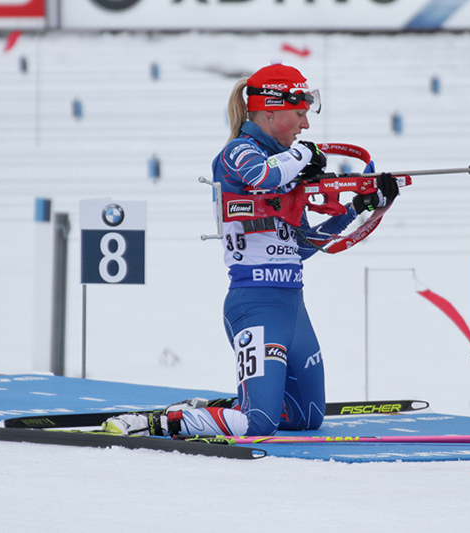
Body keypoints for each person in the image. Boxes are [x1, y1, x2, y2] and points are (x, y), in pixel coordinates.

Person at [104, 61, 399, 438]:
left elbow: (303, 247)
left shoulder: (289, 169)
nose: (305, 125)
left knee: (308, 415)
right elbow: (263, 175)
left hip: (293, 307)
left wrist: (361, 208)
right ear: (270, 110)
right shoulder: (238, 154)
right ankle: (153, 423)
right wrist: (305, 156)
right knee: (259, 424)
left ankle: (225, 407)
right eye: (299, 113)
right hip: (255, 306)